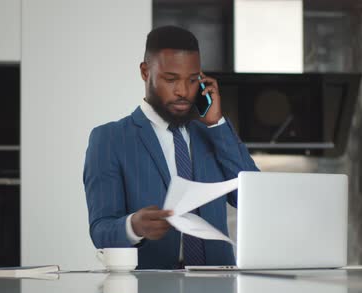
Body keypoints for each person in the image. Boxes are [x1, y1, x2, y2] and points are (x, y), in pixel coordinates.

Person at [83, 26, 259, 269]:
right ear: (145, 72)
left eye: (192, 80)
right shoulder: (110, 139)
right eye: (171, 79)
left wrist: (217, 125)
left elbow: (252, 200)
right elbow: (100, 230)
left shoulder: (213, 134)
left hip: (218, 290)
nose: (183, 92)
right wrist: (133, 225)